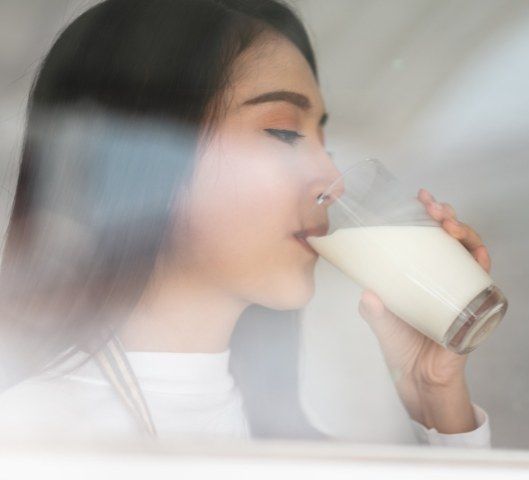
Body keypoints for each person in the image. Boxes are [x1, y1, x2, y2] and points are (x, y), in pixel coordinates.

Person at [0, 0, 494, 448]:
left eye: (323, 138)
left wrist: (437, 399)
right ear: (141, 151)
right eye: (283, 132)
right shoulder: (31, 434)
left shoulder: (300, 440)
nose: (331, 178)